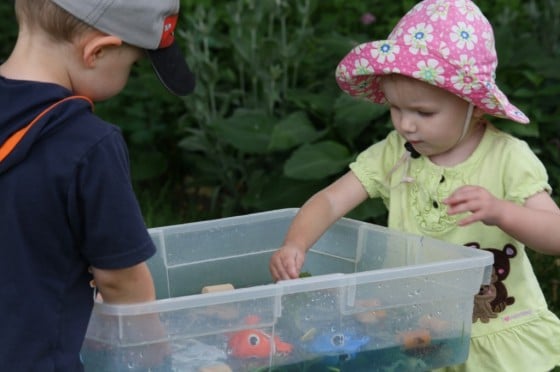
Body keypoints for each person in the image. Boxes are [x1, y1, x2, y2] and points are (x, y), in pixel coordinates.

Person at [269, 0, 560, 370]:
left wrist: (503, 212)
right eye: (395, 108)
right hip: (417, 331)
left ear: (474, 106)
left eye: (424, 112)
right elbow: (330, 200)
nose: (405, 125)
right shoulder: (395, 154)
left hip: (493, 331)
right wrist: (296, 243)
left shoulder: (508, 157)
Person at [0, 0, 195, 370]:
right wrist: (157, 352)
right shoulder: (89, 146)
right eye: (132, 65)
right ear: (98, 51)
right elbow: (121, 282)